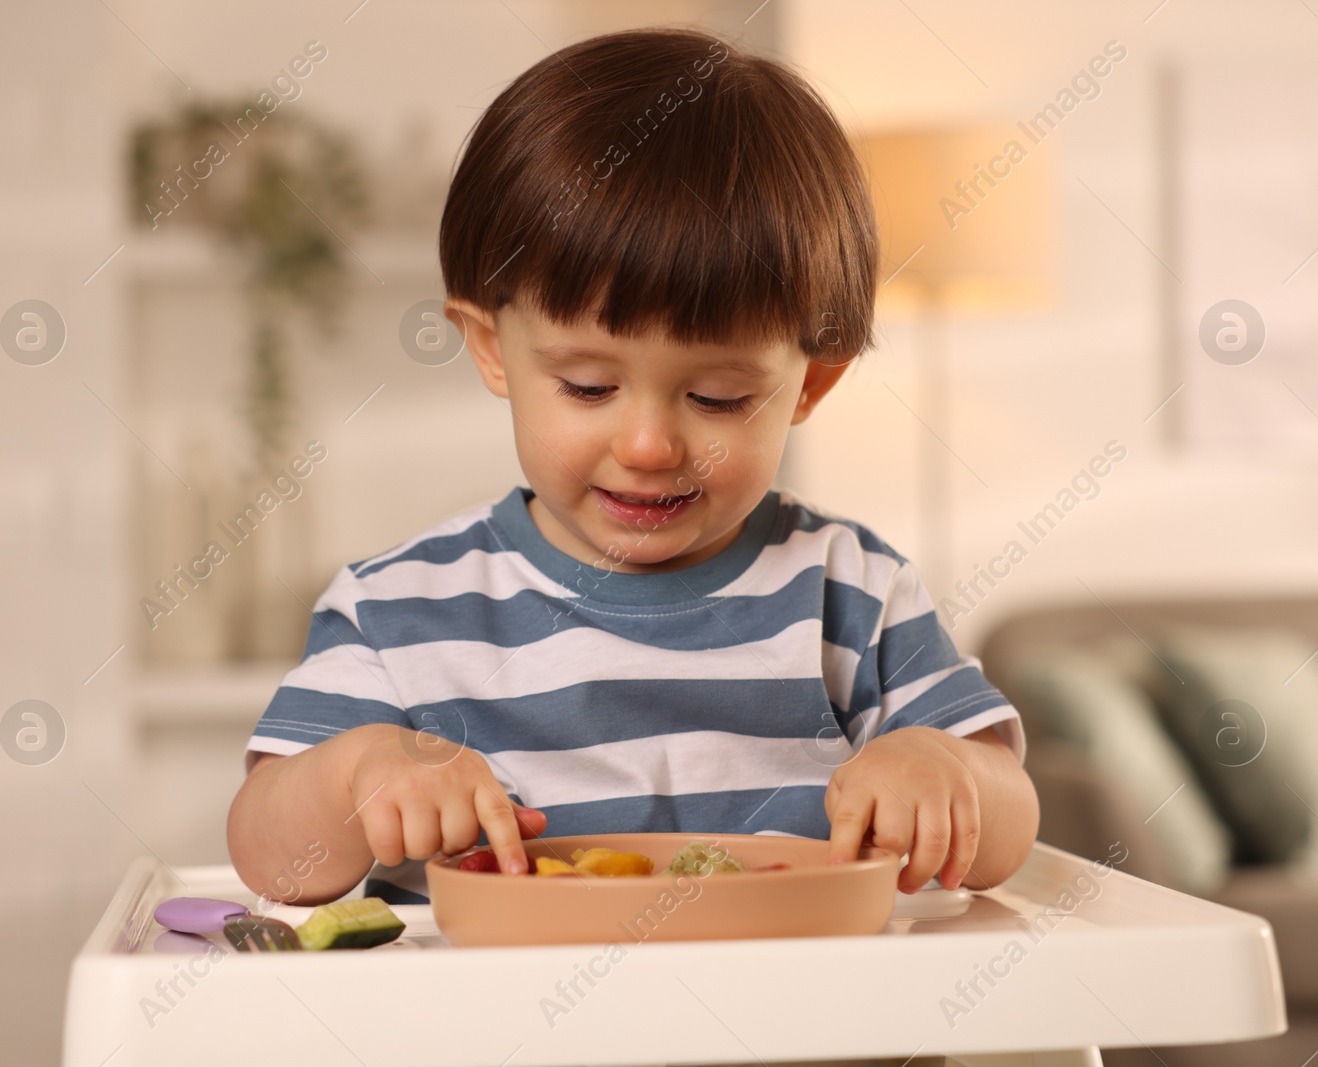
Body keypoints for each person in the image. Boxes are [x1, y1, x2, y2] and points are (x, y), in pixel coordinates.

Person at [228, 26, 1038, 907]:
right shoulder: (397, 613)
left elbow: (1008, 828)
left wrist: (941, 768)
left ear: (811, 383)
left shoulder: (850, 593)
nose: (650, 446)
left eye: (719, 398)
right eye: (587, 385)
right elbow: (270, 856)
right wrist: (357, 771)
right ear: (492, 349)